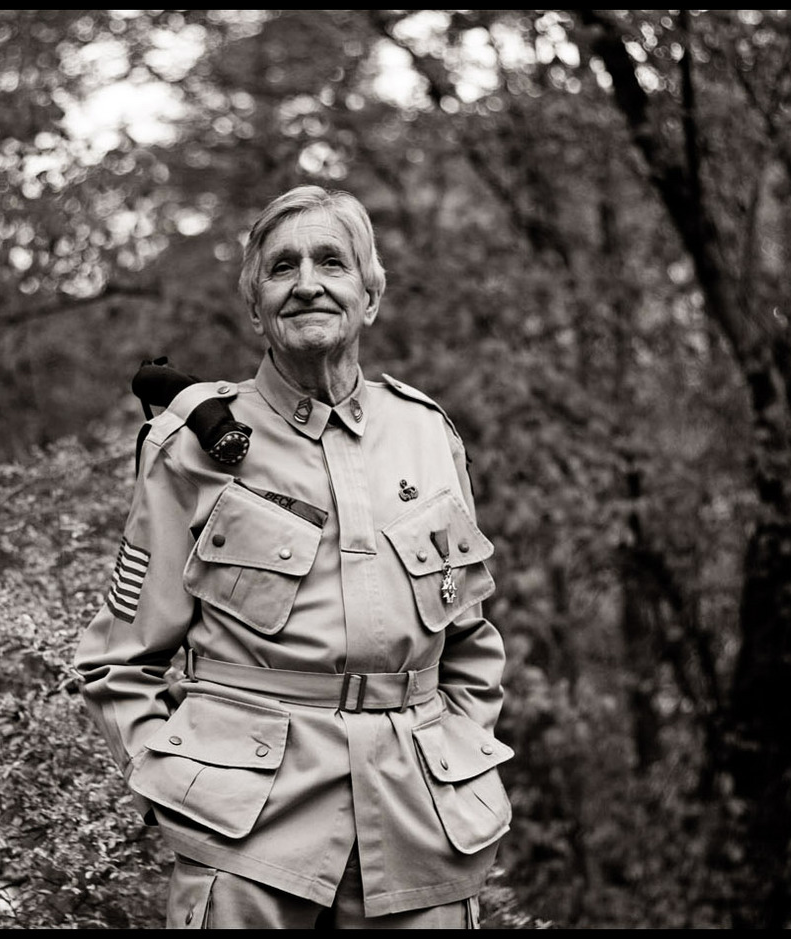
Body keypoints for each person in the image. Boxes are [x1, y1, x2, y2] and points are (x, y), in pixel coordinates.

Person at [73, 185, 512, 929]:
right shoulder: (194, 448)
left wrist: (461, 751)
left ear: (368, 296)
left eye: (331, 262)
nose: (307, 280)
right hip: (248, 840)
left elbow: (470, 644)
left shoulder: (428, 435)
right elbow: (120, 661)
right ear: (256, 309)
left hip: (421, 830)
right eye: (282, 267)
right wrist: (179, 783)